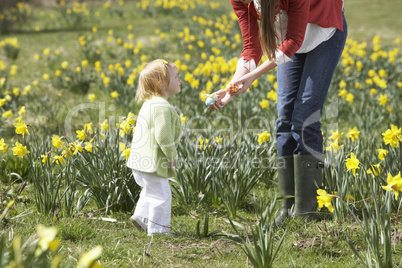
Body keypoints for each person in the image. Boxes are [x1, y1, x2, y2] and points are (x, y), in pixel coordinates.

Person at [210, 0, 347, 224]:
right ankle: (287, 208)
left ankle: (306, 214)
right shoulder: (240, 0)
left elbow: (294, 41)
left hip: (323, 33)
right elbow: (251, 47)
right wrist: (230, 88)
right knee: (284, 118)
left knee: (305, 118)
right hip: (289, 42)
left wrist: (252, 76)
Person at [127, 59, 181, 236]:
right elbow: (163, 136)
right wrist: (171, 155)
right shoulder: (162, 107)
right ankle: (158, 231)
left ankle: (141, 218)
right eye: (175, 76)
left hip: (139, 162)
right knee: (162, 196)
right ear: (161, 83)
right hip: (153, 163)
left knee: (150, 191)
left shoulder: (149, 104)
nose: (179, 80)